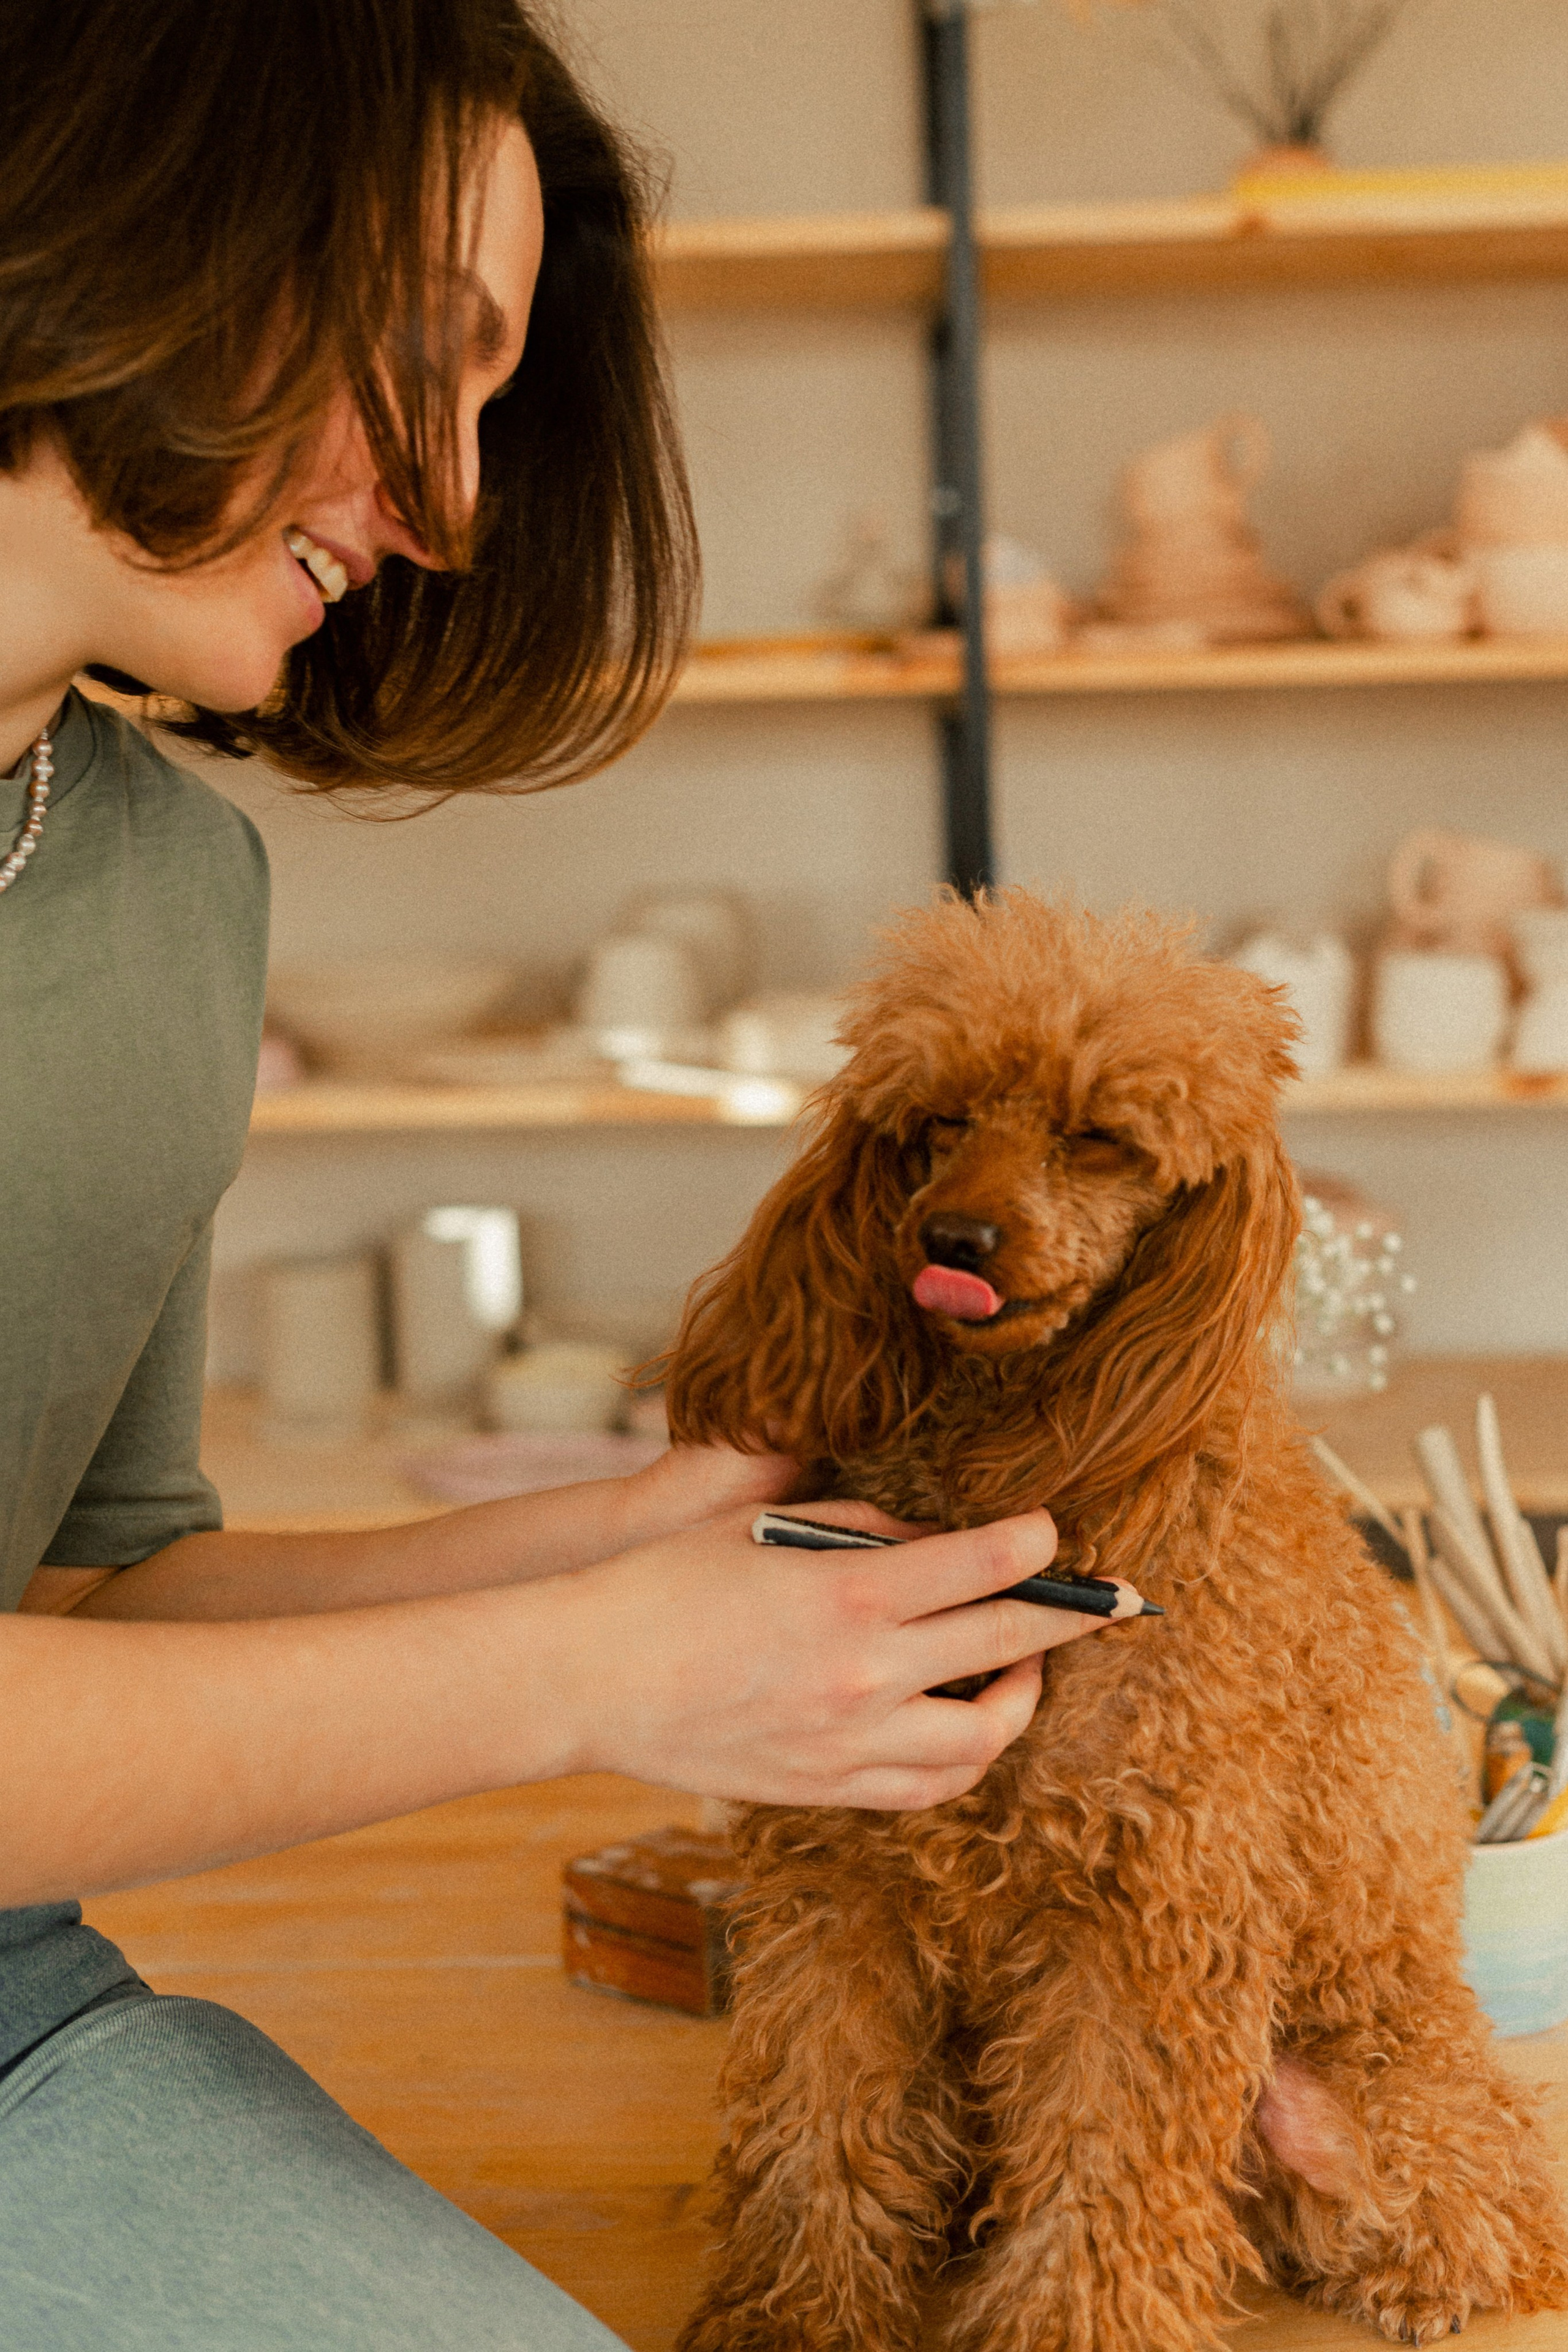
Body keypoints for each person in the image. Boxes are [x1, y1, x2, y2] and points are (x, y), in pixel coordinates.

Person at [0, 4, 1114, 2344]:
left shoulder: (163, 905)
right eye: (430, 355)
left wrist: (634, 1535)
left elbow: (83, 1616)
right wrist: (596, 1667)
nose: (456, 507)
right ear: (132, 192)